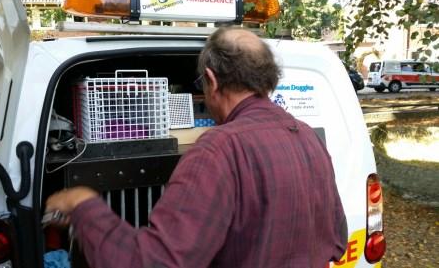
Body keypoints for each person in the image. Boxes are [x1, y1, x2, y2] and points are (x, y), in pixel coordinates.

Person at [46, 27, 348, 267]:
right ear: (267, 81)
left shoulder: (219, 149)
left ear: (212, 81)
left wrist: (83, 204)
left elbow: (154, 263)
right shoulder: (308, 136)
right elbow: (337, 240)